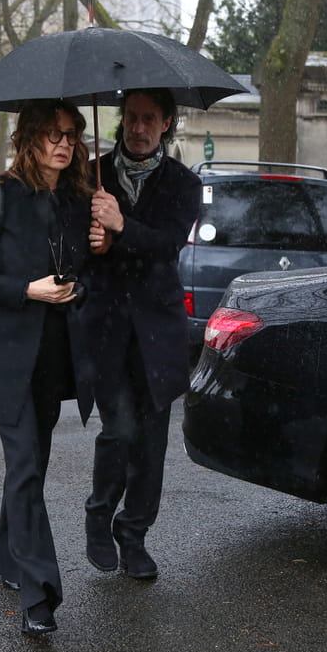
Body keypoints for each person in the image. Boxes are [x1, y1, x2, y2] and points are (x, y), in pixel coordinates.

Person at [0, 98, 94, 636]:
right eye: (54, 134)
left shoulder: (78, 200)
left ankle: (4, 554)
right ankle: (40, 594)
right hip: (6, 358)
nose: (64, 143)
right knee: (27, 465)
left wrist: (91, 257)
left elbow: (84, 275)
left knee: (29, 466)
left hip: (55, 359)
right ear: (29, 138)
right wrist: (24, 290)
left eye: (72, 135)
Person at [81, 87, 201, 580]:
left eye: (149, 119)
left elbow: (166, 244)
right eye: (131, 117)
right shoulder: (91, 175)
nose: (138, 127)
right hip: (106, 328)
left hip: (158, 333)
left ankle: (133, 536)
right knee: (119, 430)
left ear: (166, 123)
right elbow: (74, 242)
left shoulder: (183, 184)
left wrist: (119, 224)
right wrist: (92, 242)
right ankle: (99, 514)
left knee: (152, 444)